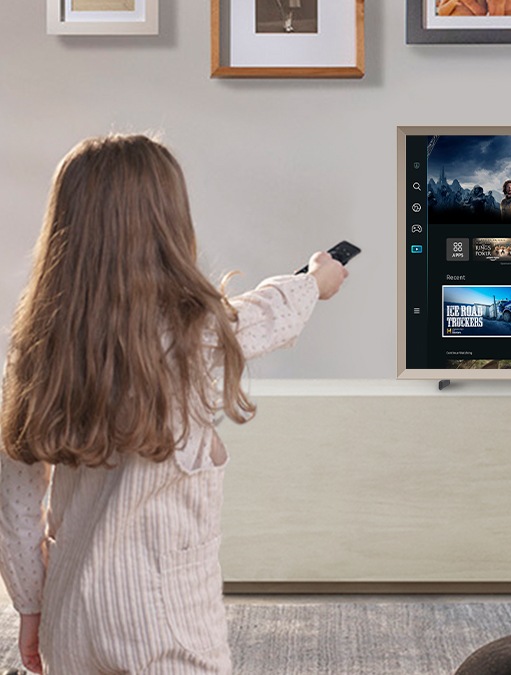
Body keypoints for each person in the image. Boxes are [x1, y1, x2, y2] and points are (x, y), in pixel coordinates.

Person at [0, 134, 348, 674]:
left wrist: (30, 606)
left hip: (71, 612)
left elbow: (17, 502)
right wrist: (316, 281)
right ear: (167, 225)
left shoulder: (37, 346)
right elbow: (267, 312)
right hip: (163, 617)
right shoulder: (196, 333)